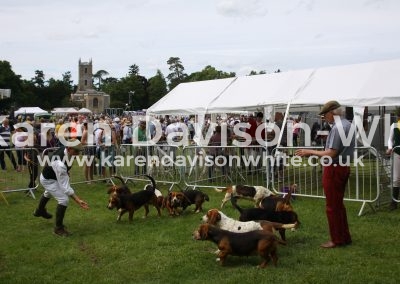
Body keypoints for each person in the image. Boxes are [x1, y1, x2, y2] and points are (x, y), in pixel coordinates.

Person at [295, 101, 354, 248]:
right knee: (339, 205)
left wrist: (310, 151)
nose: (324, 118)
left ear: (332, 113)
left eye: (325, 115)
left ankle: (336, 239)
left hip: (334, 168)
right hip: (343, 166)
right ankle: (344, 236)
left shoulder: (337, 128)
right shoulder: (348, 125)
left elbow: (331, 152)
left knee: (332, 206)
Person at [33, 139, 89, 236]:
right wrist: (78, 200)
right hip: (48, 180)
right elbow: (65, 188)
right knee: (64, 199)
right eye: (76, 151)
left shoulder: (65, 151)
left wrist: (65, 172)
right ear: (69, 148)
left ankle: (39, 211)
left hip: (51, 176)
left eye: (79, 151)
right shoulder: (60, 163)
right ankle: (58, 229)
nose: (78, 154)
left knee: (48, 193)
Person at [386, 108, 400, 210]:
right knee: (396, 178)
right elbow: (390, 139)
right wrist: (390, 148)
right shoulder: (394, 125)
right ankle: (394, 202)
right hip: (397, 153)